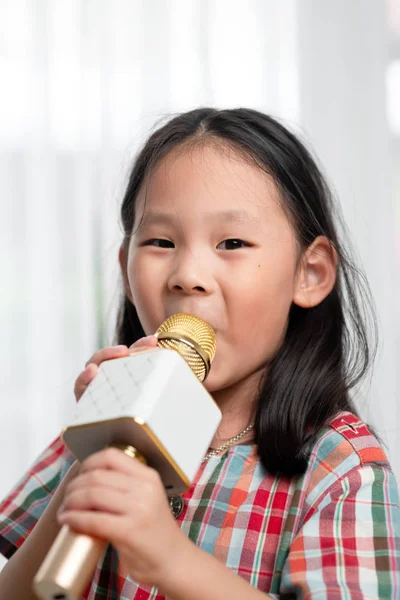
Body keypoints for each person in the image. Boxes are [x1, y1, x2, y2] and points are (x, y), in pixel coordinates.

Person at [0, 107, 399, 600]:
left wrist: (171, 561)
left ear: (309, 273)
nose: (187, 274)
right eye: (161, 241)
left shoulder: (341, 467)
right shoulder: (107, 423)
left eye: (231, 242)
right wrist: (90, 461)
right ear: (126, 271)